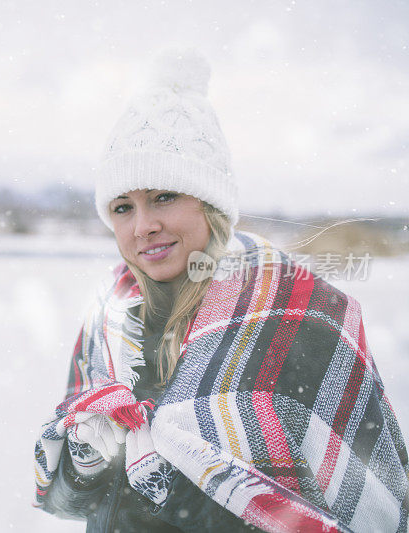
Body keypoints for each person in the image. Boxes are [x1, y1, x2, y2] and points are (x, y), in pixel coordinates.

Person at [32, 48, 409, 533]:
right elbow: (71, 500)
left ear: (210, 205)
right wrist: (85, 457)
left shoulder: (301, 317)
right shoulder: (107, 317)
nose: (143, 226)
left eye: (163, 196)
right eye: (123, 207)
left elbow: (369, 508)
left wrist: (182, 482)